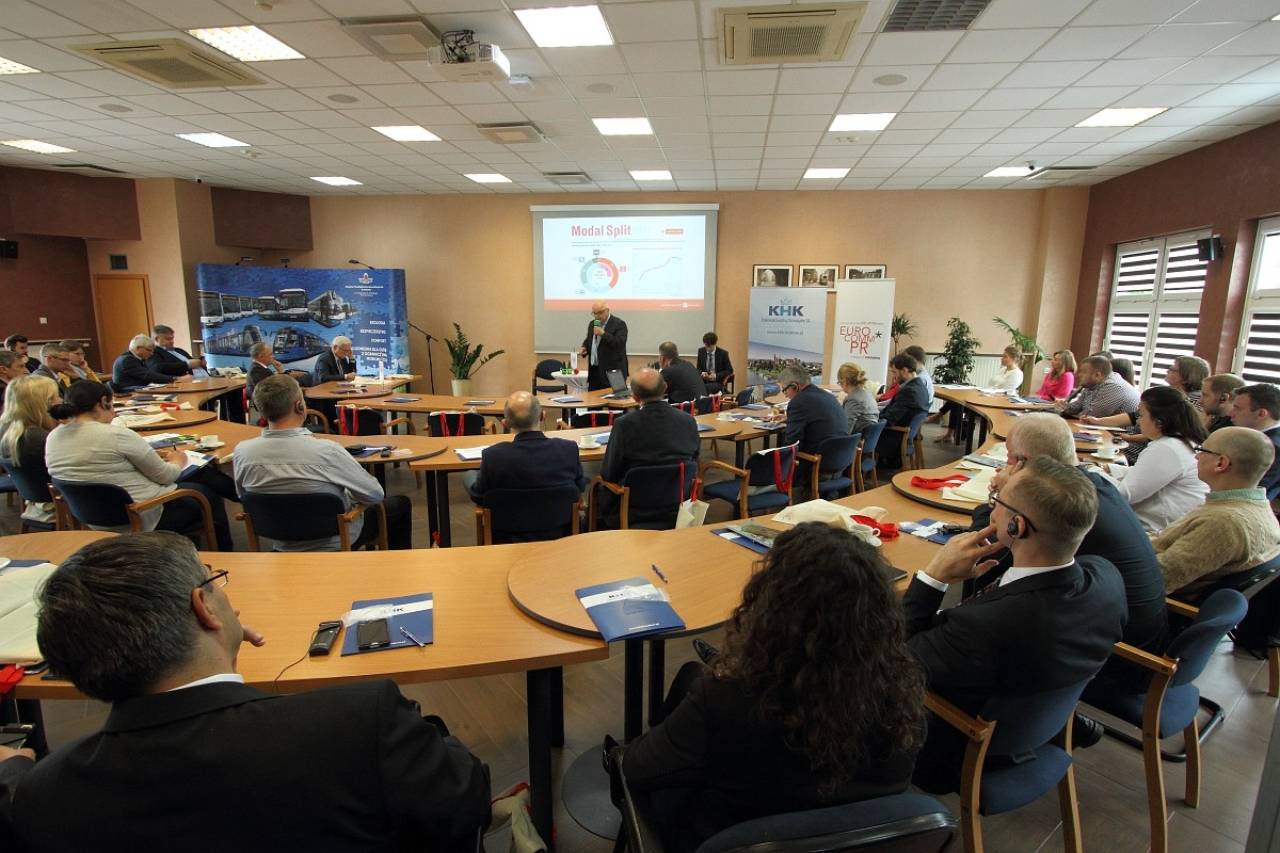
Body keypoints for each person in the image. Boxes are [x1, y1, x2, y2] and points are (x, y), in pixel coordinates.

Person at [0, 532, 490, 851]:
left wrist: (218, 647)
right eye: (215, 583)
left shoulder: (43, 796)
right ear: (204, 607)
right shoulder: (360, 722)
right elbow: (465, 800)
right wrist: (428, 733)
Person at [621, 523, 925, 853]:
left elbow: (636, 768)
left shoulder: (728, 701)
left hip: (720, 837)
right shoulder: (902, 704)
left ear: (774, 608)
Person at [904, 457, 1127, 791]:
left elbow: (899, 661)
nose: (991, 509)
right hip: (1036, 728)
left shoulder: (982, 627)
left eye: (997, 502)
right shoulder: (1107, 579)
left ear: (1016, 526)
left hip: (950, 750)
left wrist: (933, 578)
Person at [966, 413, 1168, 701]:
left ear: (1023, 462)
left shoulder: (1052, 508)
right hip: (1121, 635)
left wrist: (1000, 499)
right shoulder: (1093, 486)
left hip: (1114, 661)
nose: (1005, 464)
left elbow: (987, 550)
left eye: (1009, 457)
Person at [43, 380, 236, 550]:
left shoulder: (53, 437)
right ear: (103, 402)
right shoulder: (116, 435)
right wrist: (179, 460)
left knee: (201, 478)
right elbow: (166, 476)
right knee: (205, 493)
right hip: (139, 515)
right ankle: (225, 551)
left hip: (91, 517)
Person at [232, 374, 411, 550]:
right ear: (299, 405)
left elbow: (244, 496)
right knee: (399, 504)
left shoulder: (242, 452)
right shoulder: (327, 451)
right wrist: (345, 495)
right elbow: (374, 494)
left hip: (280, 540)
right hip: (336, 540)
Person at [1154, 426, 1280, 600]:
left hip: (1149, 603)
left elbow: (1154, 579)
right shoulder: (1257, 508)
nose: (1197, 456)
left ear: (1221, 463)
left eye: (1202, 450)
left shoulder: (1224, 522)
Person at [470, 392, 585, 541]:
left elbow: (479, 496)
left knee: (470, 476)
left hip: (506, 540)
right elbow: (580, 487)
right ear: (542, 416)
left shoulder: (492, 456)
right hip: (560, 537)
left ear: (505, 424)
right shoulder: (568, 449)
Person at [1097, 385, 1208, 534]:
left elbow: (1122, 495)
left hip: (1151, 531)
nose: (1138, 422)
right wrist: (1108, 469)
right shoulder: (1180, 442)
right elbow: (1146, 474)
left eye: (1141, 415)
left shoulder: (1168, 448)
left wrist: (1093, 472)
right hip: (1159, 525)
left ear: (1159, 422)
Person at [598, 368, 699, 528]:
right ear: (665, 388)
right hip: (677, 505)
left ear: (634, 397)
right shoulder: (688, 421)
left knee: (598, 489)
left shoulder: (624, 424)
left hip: (632, 509)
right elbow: (695, 459)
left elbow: (609, 474)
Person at [0, 375, 61, 526]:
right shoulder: (39, 439)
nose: (60, 401)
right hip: (58, 499)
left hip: (33, 495)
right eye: (55, 397)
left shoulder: (8, 430)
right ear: (42, 403)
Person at [775, 365, 846, 493]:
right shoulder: (828, 396)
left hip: (816, 464)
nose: (785, 396)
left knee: (771, 460)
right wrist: (790, 419)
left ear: (795, 386)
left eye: (784, 390)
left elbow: (792, 444)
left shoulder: (798, 402)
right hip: (841, 460)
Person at [877, 354, 930, 469]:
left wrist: (873, 418)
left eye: (894, 372)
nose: (894, 376)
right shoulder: (920, 386)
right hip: (905, 434)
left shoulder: (909, 391)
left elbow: (890, 419)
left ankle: (856, 470)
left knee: (861, 432)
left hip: (895, 437)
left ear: (905, 370)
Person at [1229, 383, 1280, 497]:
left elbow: (1248, 492)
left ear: (1261, 414)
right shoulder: (1253, 436)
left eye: (1237, 408)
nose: (1230, 413)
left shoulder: (1273, 449)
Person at [1058, 355, 1139, 419]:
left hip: (1125, 433)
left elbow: (1089, 416)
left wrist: (1065, 411)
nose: (1079, 375)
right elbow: (1076, 407)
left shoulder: (1113, 386)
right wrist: (1061, 406)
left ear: (1097, 375)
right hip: (1105, 430)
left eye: (1083, 372)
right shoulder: (1091, 384)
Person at [579, 302, 628, 391]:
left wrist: (603, 334)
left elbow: (619, 344)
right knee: (593, 399)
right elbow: (589, 340)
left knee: (616, 399)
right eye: (594, 313)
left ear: (607, 310)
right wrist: (585, 347)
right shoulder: (592, 324)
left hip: (613, 372)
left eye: (600, 313)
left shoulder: (619, 324)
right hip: (595, 371)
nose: (597, 316)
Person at [111, 334, 181, 391]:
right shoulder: (127, 360)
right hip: (129, 393)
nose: (152, 353)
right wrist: (174, 379)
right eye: (149, 350)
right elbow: (147, 375)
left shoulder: (136, 358)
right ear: (138, 349)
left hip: (138, 390)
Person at [246, 341, 314, 393]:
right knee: (308, 378)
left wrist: (281, 371)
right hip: (272, 403)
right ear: (261, 356)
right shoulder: (256, 371)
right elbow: (276, 389)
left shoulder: (259, 368)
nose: (273, 356)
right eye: (270, 354)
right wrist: (301, 389)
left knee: (306, 377)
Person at [836, 362, 878, 435]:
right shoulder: (866, 392)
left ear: (845, 382)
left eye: (839, 382)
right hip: (866, 437)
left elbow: (845, 430)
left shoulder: (853, 399)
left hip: (857, 439)